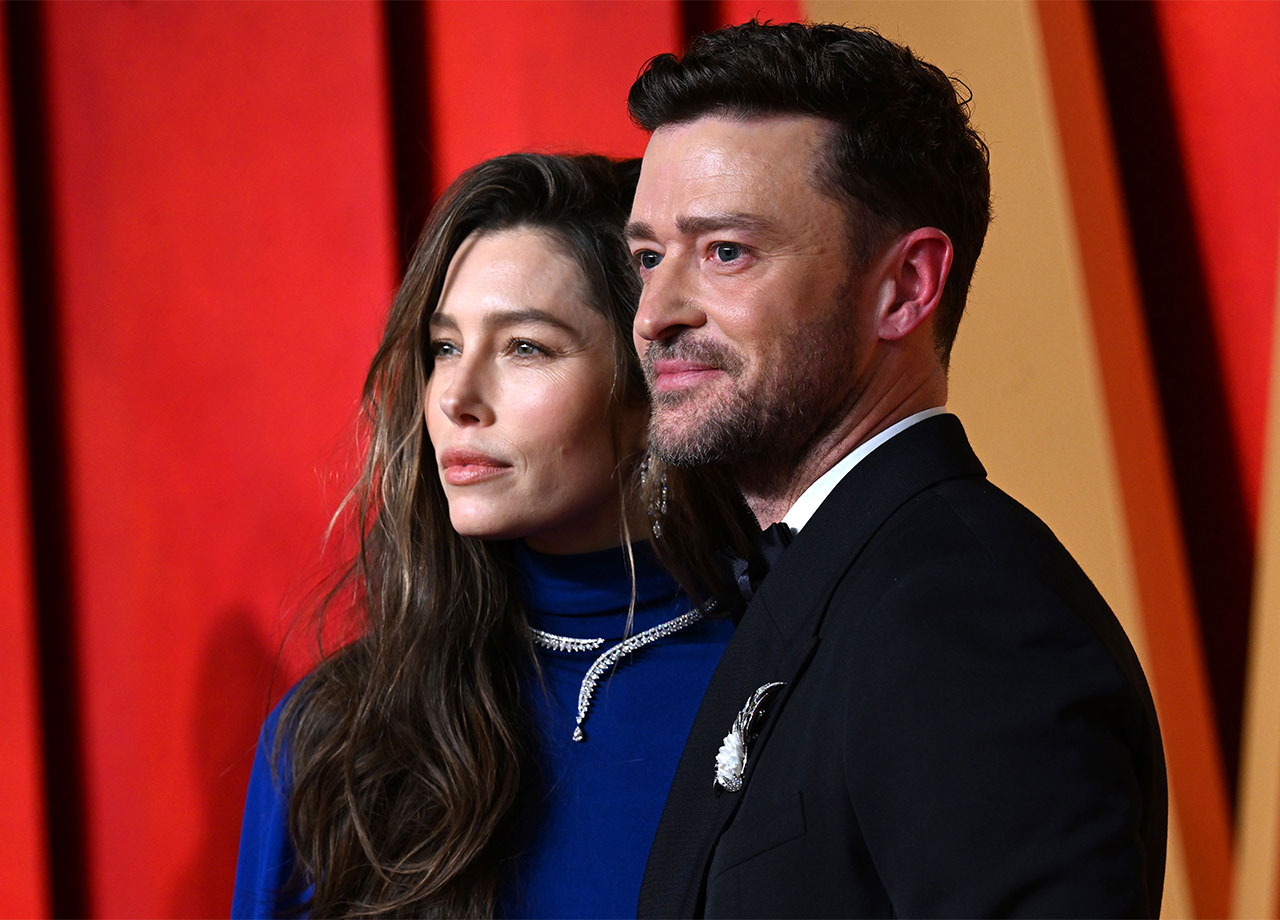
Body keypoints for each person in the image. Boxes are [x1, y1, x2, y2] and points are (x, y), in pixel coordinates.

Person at [624, 21, 1167, 918]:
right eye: (649, 257)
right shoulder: (827, 579)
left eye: (726, 251)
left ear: (907, 287)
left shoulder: (961, 611)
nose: (656, 313)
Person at [231, 153, 753, 918]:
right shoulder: (336, 734)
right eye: (444, 346)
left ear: (652, 383)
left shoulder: (786, 679)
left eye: (525, 347)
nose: (458, 397)